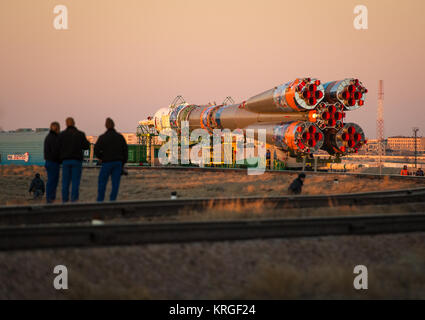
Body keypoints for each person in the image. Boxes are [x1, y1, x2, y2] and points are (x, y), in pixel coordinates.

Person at [94, 118, 128, 202]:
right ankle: (112, 201)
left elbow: (96, 150)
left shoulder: (102, 137)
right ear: (114, 125)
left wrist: (101, 158)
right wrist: (122, 163)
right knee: (115, 184)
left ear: (106, 126)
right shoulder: (120, 137)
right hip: (117, 163)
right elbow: (125, 151)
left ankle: (100, 201)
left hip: (106, 163)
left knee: (102, 183)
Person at [57, 117, 90, 202]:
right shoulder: (80, 134)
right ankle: (74, 201)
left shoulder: (62, 135)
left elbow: (58, 147)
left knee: (65, 182)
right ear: (74, 123)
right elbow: (86, 146)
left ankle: (65, 201)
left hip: (65, 161)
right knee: (75, 182)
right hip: (77, 161)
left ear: (66, 123)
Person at [44, 121, 61, 203]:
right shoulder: (54, 138)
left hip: (48, 161)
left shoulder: (48, 137)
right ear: (57, 128)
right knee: (53, 181)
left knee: (50, 181)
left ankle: (49, 198)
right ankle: (50, 199)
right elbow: (55, 151)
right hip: (54, 162)